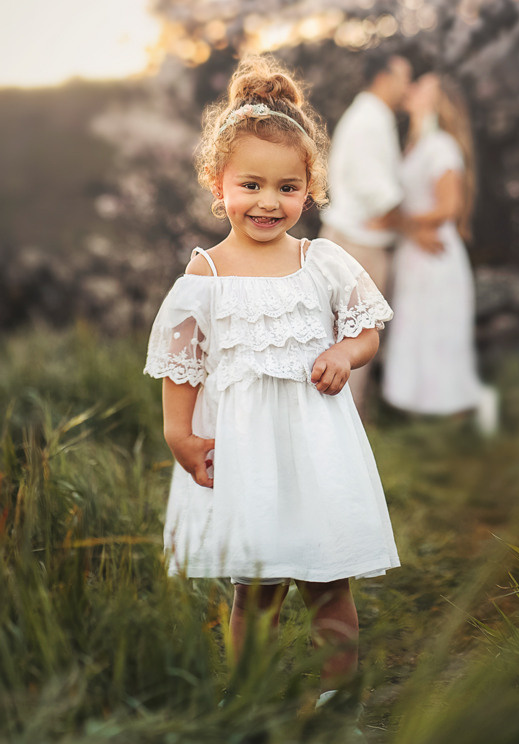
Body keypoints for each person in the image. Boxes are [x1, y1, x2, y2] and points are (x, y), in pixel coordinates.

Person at [144, 56, 399, 708]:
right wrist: (180, 434)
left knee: (329, 584)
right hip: (247, 455)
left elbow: (368, 327)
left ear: (309, 188)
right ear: (217, 183)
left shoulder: (322, 262)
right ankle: (249, 699)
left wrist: (346, 350)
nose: (268, 201)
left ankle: (337, 704)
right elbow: (183, 365)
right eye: (251, 184)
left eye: (288, 188)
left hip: (317, 451)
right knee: (254, 590)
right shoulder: (204, 275)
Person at [380, 73, 499, 433]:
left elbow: (449, 207)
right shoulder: (415, 144)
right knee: (415, 331)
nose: (411, 89)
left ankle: (461, 418)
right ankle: (421, 416)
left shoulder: (442, 146)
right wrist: (407, 227)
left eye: (422, 87)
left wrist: (398, 220)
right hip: (414, 252)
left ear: (437, 102)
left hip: (436, 254)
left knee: (439, 336)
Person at [320, 48, 414, 421]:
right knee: (355, 336)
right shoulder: (369, 120)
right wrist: (410, 227)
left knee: (351, 336)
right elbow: (377, 191)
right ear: (384, 76)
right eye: (404, 76)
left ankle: (349, 422)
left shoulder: (374, 117)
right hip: (359, 244)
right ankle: (349, 424)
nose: (407, 86)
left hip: (360, 239)